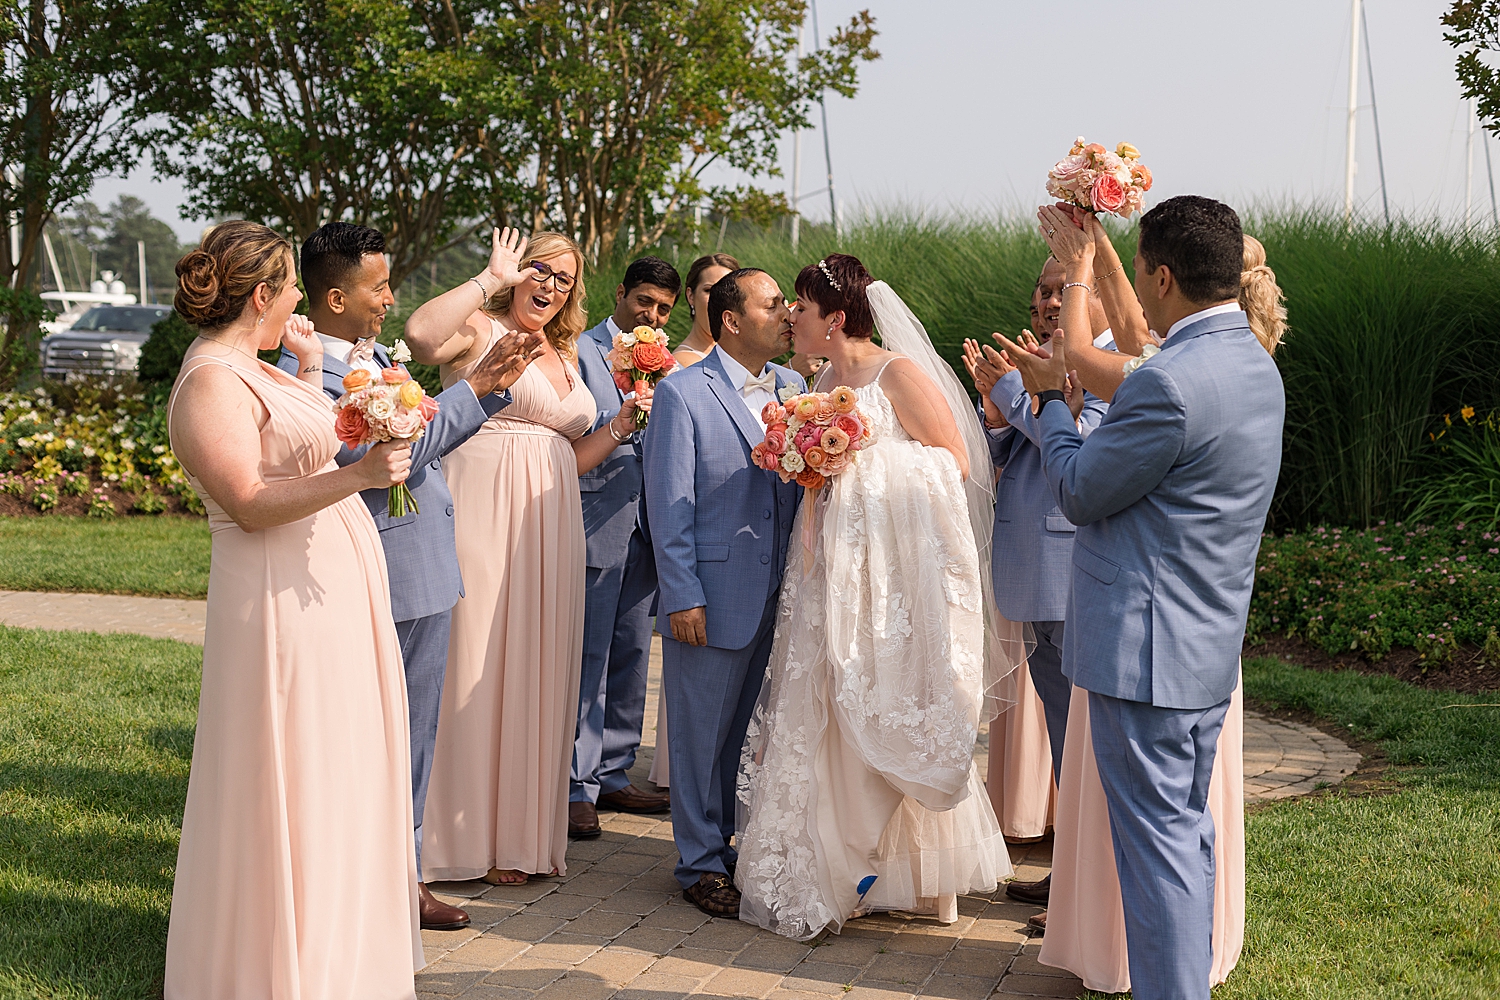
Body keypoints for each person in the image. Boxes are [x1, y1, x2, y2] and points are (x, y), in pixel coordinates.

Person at [997, 196, 1284, 1000]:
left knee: (1155, 857)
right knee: (1183, 842)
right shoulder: (1252, 363)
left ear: (1164, 277)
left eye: (1146, 281)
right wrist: (1094, 262)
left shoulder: (1170, 385)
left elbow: (1083, 489)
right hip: (1202, 650)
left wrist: (1050, 401)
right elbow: (1128, 344)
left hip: (1144, 658)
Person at [163, 220, 421, 997]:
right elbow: (248, 499)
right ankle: (286, 966)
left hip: (325, 604)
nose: (299, 309)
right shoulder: (210, 379)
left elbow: (292, 447)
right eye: (290, 296)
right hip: (278, 610)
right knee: (295, 779)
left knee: (333, 779)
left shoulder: (260, 364)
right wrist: (363, 476)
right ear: (266, 293)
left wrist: (309, 369)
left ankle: (337, 955)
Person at [734, 255, 1025, 941]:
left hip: (888, 580)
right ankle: (850, 866)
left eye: (799, 308)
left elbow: (954, 461)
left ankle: (890, 872)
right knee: (829, 703)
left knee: (884, 700)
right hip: (828, 571)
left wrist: (857, 466)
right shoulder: (823, 379)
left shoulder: (898, 373)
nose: (789, 318)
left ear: (834, 319)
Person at [276, 222, 542, 930]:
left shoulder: (368, 361)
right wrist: (477, 387)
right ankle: (380, 877)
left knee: (413, 736)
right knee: (386, 735)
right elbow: (389, 458)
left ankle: (402, 873)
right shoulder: (311, 376)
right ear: (336, 297)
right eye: (379, 286)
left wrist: (486, 392)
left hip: (421, 570)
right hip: (383, 575)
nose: (391, 298)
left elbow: (417, 440)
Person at [406, 229, 651, 885]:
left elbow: (567, 456)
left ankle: (515, 837)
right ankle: (458, 839)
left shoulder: (568, 354)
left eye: (564, 279)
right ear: (518, 272)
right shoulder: (479, 331)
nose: (549, 285)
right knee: (474, 663)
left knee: (536, 671)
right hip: (481, 514)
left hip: (549, 530)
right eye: (539, 270)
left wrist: (620, 425)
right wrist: (487, 278)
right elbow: (421, 337)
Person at [642, 267, 805, 918]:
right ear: (731, 320)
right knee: (699, 736)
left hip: (778, 590)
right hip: (709, 592)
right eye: (773, 305)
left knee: (743, 735)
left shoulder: (794, 386)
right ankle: (699, 862)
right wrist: (682, 593)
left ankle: (728, 842)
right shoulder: (684, 394)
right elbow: (668, 503)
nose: (786, 313)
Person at [960, 264, 1108, 925]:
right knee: (1063, 738)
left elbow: (1087, 449)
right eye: (1041, 291)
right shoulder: (1050, 362)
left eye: (1058, 289)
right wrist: (995, 411)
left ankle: (1090, 890)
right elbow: (1018, 449)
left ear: (1097, 296)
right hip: (1035, 572)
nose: (1046, 301)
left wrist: (1021, 398)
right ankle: (1072, 871)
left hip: (1072, 571)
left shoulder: (1111, 365)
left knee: (1087, 742)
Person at [568, 256, 679, 839]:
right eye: (644, 302)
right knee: (588, 656)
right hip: (595, 514)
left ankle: (614, 770)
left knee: (635, 652)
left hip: (647, 523)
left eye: (663, 309)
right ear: (621, 294)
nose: (652, 315)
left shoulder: (669, 363)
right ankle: (575, 785)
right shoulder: (581, 350)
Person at [672, 252, 739, 367]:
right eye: (709, 290)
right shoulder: (683, 364)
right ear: (690, 296)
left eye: (729, 292)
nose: (719, 299)